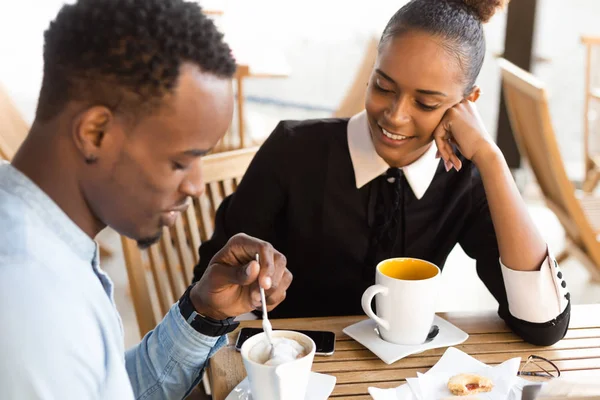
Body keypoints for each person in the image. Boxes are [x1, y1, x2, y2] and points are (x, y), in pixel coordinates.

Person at [194, 0, 570, 346]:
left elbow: (543, 325)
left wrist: (490, 157)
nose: (395, 115)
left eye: (425, 102)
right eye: (383, 86)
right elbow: (206, 290)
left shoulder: (463, 178)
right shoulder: (293, 150)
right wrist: (247, 286)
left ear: (466, 104)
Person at [0, 1, 292, 399]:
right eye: (181, 161)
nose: (197, 186)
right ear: (96, 132)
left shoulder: (46, 245)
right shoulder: (33, 312)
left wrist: (202, 313)